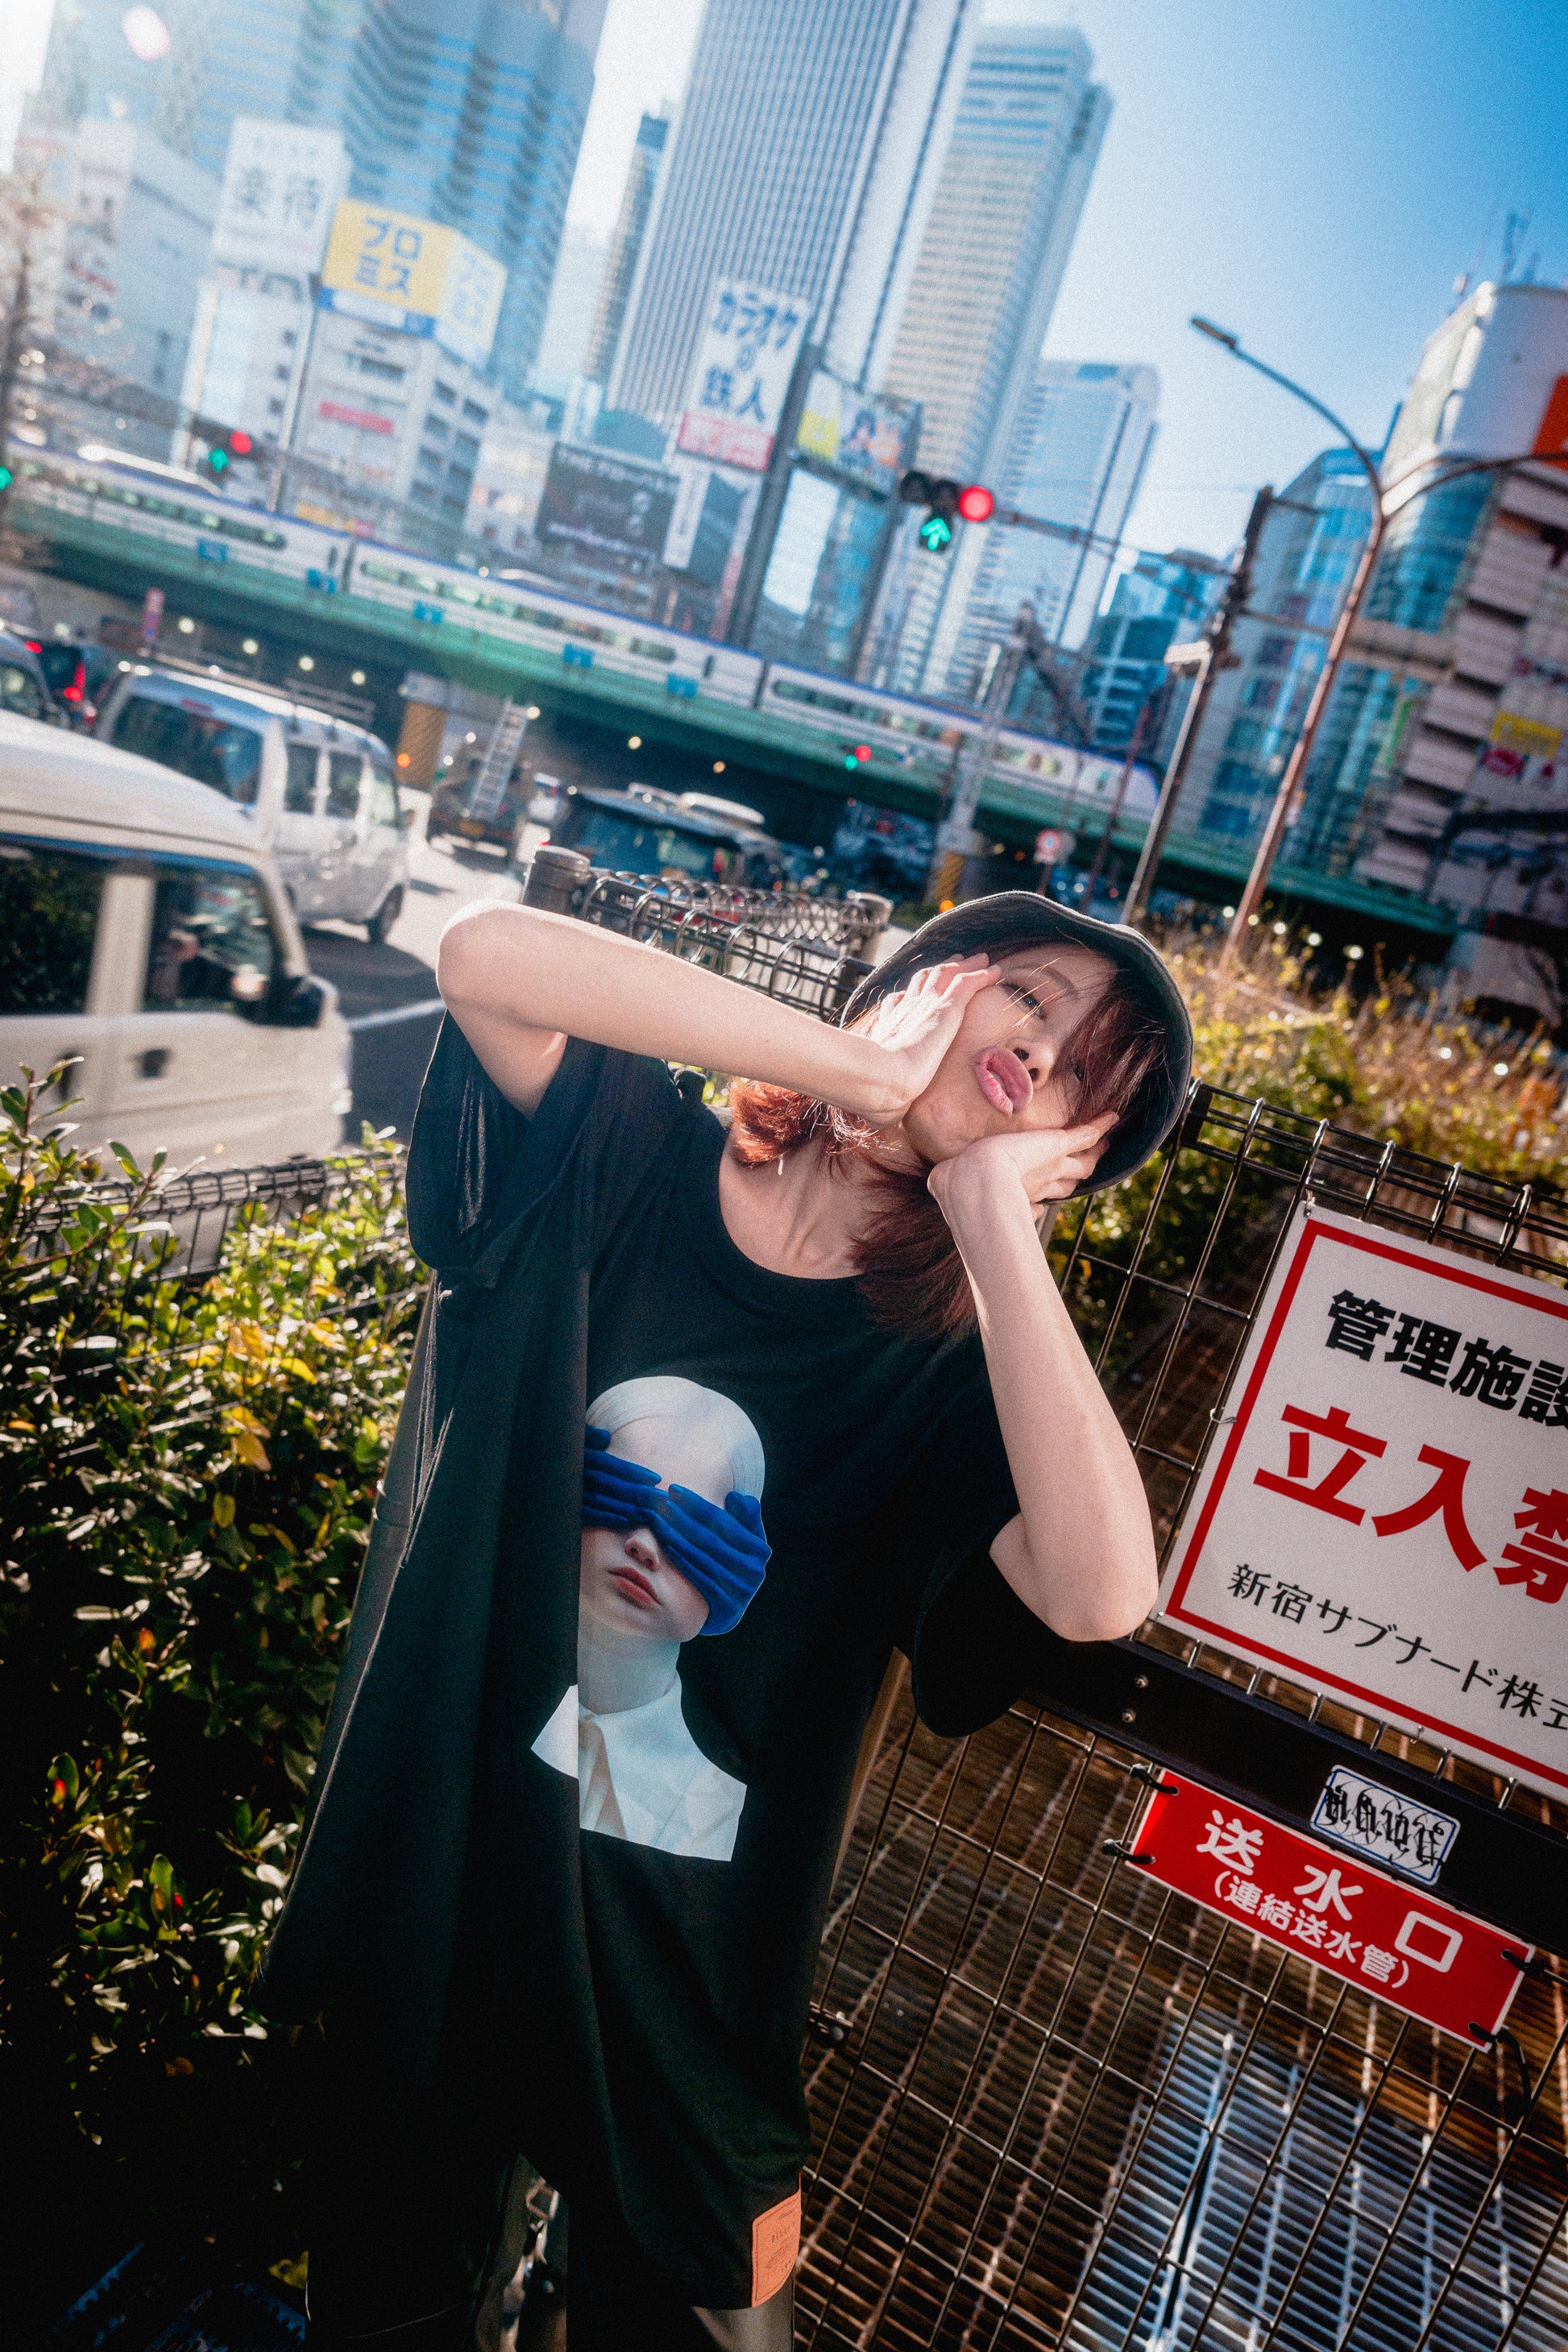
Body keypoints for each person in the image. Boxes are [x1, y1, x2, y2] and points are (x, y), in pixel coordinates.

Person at [263, 888, 1193, 2352]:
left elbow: (1098, 1591)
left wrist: (989, 1218)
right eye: (1028, 992)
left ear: (1069, 1161)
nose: (1045, 1047)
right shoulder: (622, 1155)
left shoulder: (945, 1381)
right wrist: (863, 1075)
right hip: (440, 1899)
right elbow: (485, 958)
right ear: (922, 984)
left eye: (1089, 1070)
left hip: (683, 2004)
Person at [534, 1379, 768, 1862]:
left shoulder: (711, 1816)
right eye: (618, 1495)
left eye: (691, 1527)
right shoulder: (470, 1703)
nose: (643, 1544)